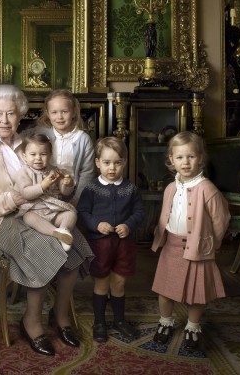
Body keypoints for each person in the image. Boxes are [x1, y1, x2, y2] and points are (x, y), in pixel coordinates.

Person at [0, 84, 93, 356]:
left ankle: (60, 315)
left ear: (20, 115)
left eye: (11, 113)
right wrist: (14, 200)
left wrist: (61, 185)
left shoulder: (30, 143)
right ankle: (31, 321)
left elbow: (48, 184)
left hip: (37, 211)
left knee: (75, 242)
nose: (5, 120)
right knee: (43, 246)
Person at [151, 131, 231, 350]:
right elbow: (166, 215)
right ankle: (165, 322)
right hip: (172, 245)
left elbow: (221, 219)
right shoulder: (170, 188)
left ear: (201, 158)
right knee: (164, 289)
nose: (185, 162)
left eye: (191, 157)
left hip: (198, 248)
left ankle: (193, 326)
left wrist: (210, 244)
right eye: (179, 157)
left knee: (197, 293)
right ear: (171, 160)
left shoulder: (208, 189)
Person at [77, 136, 145, 343]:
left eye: (117, 162)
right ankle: (99, 322)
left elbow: (140, 211)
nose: (112, 168)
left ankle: (119, 320)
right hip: (100, 244)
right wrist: (97, 224)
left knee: (119, 283)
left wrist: (129, 224)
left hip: (124, 245)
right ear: (98, 163)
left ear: (124, 162)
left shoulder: (130, 188)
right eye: (106, 163)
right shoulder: (91, 188)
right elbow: (82, 212)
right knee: (101, 283)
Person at [28, 89, 96, 203]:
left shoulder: (83, 139)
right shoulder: (41, 132)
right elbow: (19, 139)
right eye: (54, 112)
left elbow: (87, 174)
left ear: (73, 112)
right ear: (48, 114)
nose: (59, 117)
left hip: (71, 192)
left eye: (64, 111)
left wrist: (76, 200)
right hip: (43, 191)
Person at [12, 133, 78, 251]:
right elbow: (26, 193)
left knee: (71, 214)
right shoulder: (23, 173)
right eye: (33, 154)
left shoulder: (55, 171)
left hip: (53, 210)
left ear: (50, 155)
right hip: (34, 210)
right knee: (28, 217)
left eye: (43, 154)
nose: (38, 158)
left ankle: (64, 230)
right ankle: (56, 233)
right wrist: (43, 186)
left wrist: (67, 184)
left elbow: (65, 193)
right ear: (25, 156)